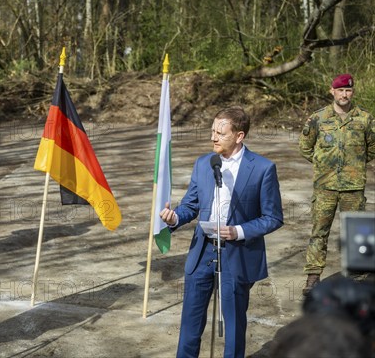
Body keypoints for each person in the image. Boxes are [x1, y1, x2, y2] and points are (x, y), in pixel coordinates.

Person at [159, 106, 284, 358]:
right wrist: (174, 218)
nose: (213, 138)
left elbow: (273, 218)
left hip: (237, 254)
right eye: (212, 131)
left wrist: (237, 231)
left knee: (234, 324)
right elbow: (191, 205)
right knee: (190, 323)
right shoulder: (204, 163)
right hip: (202, 252)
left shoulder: (262, 168)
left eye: (221, 133)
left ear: (239, 136)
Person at [299, 73, 375, 296]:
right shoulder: (318, 118)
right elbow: (305, 147)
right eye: (340, 90)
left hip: (353, 186)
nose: (344, 94)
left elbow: (372, 148)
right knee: (319, 231)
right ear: (332, 91)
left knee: (357, 232)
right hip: (325, 186)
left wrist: (355, 165)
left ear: (353, 92)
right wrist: (323, 164)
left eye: (348, 90)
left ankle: (358, 277)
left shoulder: (365, 119)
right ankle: (313, 275)